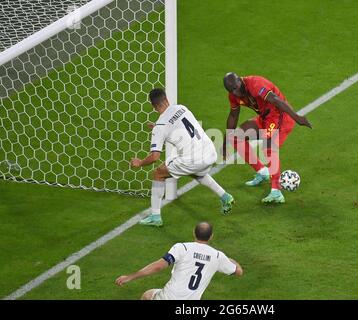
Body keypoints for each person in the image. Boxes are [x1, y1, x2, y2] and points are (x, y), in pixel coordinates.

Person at [131, 88, 234, 227]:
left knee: (158, 173)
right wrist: (157, 128)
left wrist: (140, 162)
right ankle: (225, 196)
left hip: (193, 159)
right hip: (210, 152)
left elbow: (155, 157)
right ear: (166, 99)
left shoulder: (161, 126)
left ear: (153, 107)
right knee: (195, 171)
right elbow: (178, 126)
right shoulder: (181, 108)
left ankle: (155, 216)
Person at [223, 72, 312, 204]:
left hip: (279, 116)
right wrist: (225, 142)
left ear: (240, 80)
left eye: (237, 87)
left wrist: (297, 117)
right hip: (264, 118)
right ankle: (262, 172)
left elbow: (275, 99)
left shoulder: (255, 83)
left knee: (268, 147)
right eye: (232, 90)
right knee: (236, 137)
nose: (236, 92)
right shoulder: (233, 95)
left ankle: (276, 192)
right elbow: (233, 116)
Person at [115, 221, 243, 300]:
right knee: (149, 294)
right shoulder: (217, 256)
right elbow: (238, 272)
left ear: (194, 232)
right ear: (211, 236)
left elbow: (158, 266)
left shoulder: (182, 248)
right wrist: (230, 259)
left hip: (169, 297)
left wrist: (130, 277)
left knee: (147, 295)